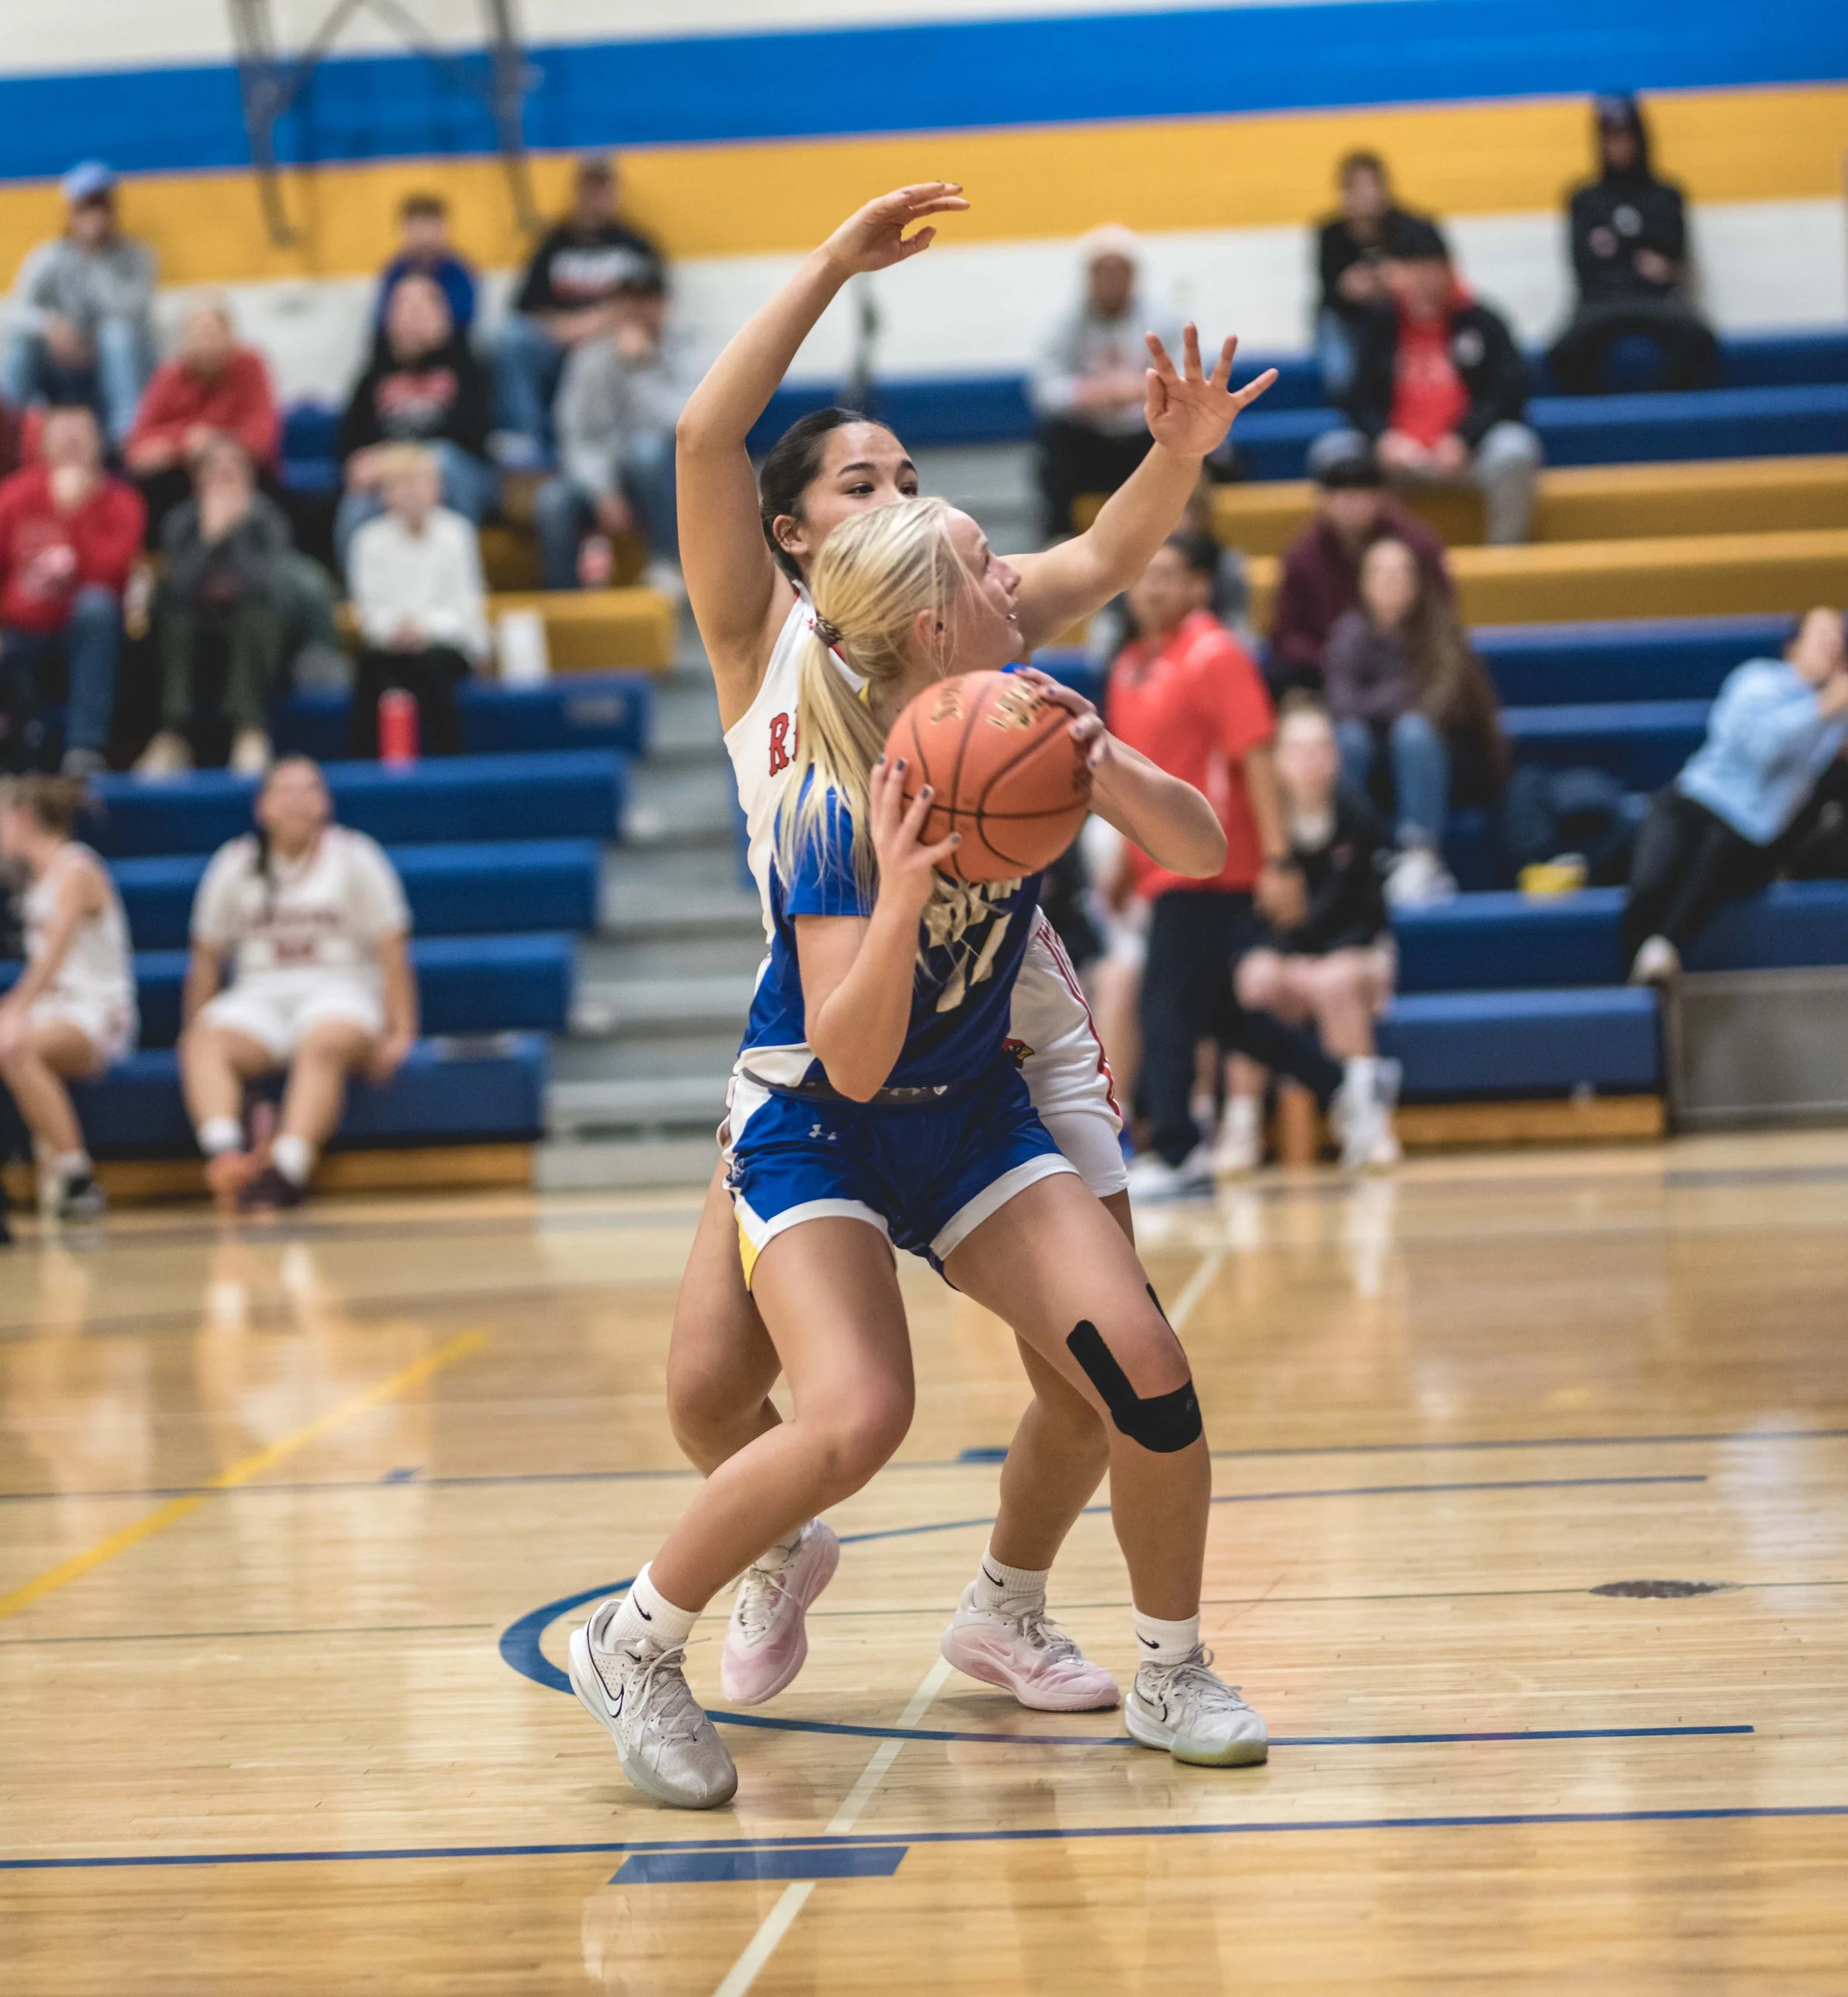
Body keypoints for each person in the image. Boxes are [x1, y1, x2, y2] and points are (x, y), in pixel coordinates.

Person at [670, 182, 1275, 1723]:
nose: (894, 496)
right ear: (793, 533)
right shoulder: (767, 646)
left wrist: (1173, 457)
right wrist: (827, 264)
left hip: (998, 1013)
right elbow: (698, 445)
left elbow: (1106, 551)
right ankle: (774, 1535)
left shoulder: (975, 625)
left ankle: (1009, 1609)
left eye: (908, 472)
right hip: (827, 1016)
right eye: (856, 483)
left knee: (1101, 1365)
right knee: (702, 1390)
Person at [568, 493, 1268, 1812]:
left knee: (1148, 1377)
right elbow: (855, 1060)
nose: (1018, 577)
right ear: (936, 621)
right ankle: (631, 1643)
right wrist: (902, 897)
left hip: (970, 1115)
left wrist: (1102, 762)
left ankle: (1172, 1669)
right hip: (822, 1123)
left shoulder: (1017, 718)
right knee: (855, 1416)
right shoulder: (838, 800)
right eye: (987, 565)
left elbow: (1204, 844)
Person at [1105, 531, 1360, 1197]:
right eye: (1144, 576)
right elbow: (1128, 776)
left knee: (1164, 1004)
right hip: (1161, 864)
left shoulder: (1216, 654)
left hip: (1212, 860)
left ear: (1200, 587)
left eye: (1169, 576)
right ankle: (1346, 1083)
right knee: (1216, 1011)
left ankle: (1181, 1150)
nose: (1152, 589)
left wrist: (1278, 860)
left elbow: (1256, 753)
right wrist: (1122, 863)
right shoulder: (1130, 664)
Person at [179, 756, 417, 1214]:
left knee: (321, 1041)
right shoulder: (234, 863)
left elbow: (393, 948)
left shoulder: (356, 857)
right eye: (284, 791)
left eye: (308, 790)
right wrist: (193, 1028)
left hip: (339, 991)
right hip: (260, 997)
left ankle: (285, 1171)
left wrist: (401, 1030)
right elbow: (207, 957)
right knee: (204, 1040)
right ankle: (227, 1157)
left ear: (325, 803)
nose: (296, 802)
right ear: (262, 806)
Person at [1624, 609, 1848, 984]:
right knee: (1649, 883)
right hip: (1693, 800)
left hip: (1749, 830)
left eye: (1839, 638)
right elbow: (1761, 747)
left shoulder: (1837, 714)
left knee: (1724, 848)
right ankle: (1633, 984)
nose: (1834, 644)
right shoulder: (1757, 681)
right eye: (1824, 635)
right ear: (1794, 647)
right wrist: (1823, 707)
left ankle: (1662, 956)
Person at [1230, 698, 1398, 1174]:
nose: (1311, 758)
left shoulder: (1358, 815)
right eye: (1299, 748)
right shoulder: (1259, 823)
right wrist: (1287, 956)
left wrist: (1322, 958)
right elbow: (1251, 914)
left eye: (1322, 747)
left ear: (1337, 756)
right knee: (1253, 982)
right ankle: (1240, 1124)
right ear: (1278, 760)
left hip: (1352, 953)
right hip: (1285, 957)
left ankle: (1366, 1118)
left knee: (1336, 982)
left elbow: (1369, 913)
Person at [1311, 245, 1541, 545]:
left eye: (1431, 269)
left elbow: (1507, 391)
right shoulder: (1377, 324)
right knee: (1333, 452)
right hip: (1396, 457)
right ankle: (1360, 567)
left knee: (1516, 449)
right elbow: (1356, 395)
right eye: (1414, 270)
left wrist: (1465, 439)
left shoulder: (1482, 321)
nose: (1423, 281)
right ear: (1396, 275)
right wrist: (1384, 438)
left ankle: (1507, 556)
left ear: (1449, 270)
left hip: (1468, 454)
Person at [1324, 534, 1506, 907]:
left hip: (1448, 760)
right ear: (1364, 582)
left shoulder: (1441, 629)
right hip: (1377, 760)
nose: (1392, 583)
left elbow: (1442, 704)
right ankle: (1355, 849)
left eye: (1400, 574)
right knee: (1349, 738)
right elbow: (1340, 704)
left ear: (1417, 582)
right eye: (1381, 573)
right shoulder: (1347, 634)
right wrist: (1399, 694)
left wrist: (1378, 705)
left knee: (1414, 731)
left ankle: (1421, 854)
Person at [0, 776, 136, 1222]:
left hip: (97, 1011)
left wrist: (13, 1008)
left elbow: (54, 956)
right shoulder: (33, 878)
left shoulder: (76, 869)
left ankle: (78, 1177)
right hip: (54, 1009)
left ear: (21, 820)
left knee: (14, 1046)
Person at [493, 154, 667, 464]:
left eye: (603, 191)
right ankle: (527, 439)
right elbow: (524, 307)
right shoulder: (555, 243)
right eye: (589, 190)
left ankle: (606, 449)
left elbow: (652, 308)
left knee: (614, 350)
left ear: (615, 194)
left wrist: (590, 326)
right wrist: (564, 328)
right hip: (556, 339)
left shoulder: (636, 245)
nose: (595, 199)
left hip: (610, 341)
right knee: (509, 339)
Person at [0, 406, 143, 778]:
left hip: (83, 633)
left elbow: (110, 579)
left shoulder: (122, 502)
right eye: (61, 434)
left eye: (81, 434)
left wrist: (72, 514)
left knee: (96, 608)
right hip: (20, 628)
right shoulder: (12, 497)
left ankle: (84, 748)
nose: (71, 443)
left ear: (99, 444)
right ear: (43, 444)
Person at [142, 438, 293, 778]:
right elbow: (177, 587)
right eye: (216, 474)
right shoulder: (180, 521)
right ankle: (173, 734)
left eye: (233, 473)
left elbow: (270, 585)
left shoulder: (269, 519)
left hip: (255, 626)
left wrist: (234, 531)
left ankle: (249, 730)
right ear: (199, 481)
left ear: (250, 479)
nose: (225, 482)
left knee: (257, 615)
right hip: (196, 623)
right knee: (173, 617)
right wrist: (209, 538)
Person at [1549, 96, 1718, 397]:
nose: (1619, 146)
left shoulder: (1666, 195)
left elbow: (1673, 262)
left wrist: (1617, 250)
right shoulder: (1583, 199)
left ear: (1641, 138)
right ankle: (1599, 423)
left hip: (1659, 301)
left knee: (1698, 339)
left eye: (1626, 136)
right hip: (1599, 303)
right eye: (1611, 138)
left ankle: (1669, 416)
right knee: (1564, 351)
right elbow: (1584, 268)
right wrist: (1640, 256)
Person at [1031, 227, 1186, 545]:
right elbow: (1045, 389)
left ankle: (1178, 532)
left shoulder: (1165, 316)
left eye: (1120, 270)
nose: (1112, 279)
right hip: (1087, 437)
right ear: (1088, 275)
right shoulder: (1062, 320)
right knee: (1051, 438)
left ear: (1134, 274)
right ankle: (1057, 533)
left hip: (1145, 432)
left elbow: (1187, 377)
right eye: (1104, 271)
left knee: (1188, 435)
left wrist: (1143, 390)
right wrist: (1088, 394)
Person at [537, 285, 695, 591]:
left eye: (646, 300)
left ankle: (669, 564)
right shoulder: (587, 360)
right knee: (552, 502)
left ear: (663, 305)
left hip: (668, 481)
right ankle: (565, 604)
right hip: (600, 479)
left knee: (646, 450)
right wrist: (603, 491)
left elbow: (684, 424)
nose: (636, 312)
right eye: (628, 302)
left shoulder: (687, 350)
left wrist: (639, 369)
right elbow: (575, 438)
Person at [1268, 441, 1454, 694]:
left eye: (1361, 493)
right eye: (1342, 494)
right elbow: (1286, 635)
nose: (1352, 504)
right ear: (1323, 500)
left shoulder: (1417, 546)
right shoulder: (1302, 557)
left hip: (1408, 668)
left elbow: (1443, 613)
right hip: (1323, 673)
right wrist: (1337, 661)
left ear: (1380, 497)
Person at [336, 273, 492, 562]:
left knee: (444, 462)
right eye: (405, 307)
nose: (414, 317)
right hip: (389, 476)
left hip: (454, 470)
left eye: (424, 307)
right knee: (357, 501)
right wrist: (381, 465)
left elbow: (473, 435)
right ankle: (358, 591)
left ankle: (458, 570)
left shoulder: (468, 367)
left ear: (443, 316)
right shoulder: (372, 377)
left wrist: (402, 460)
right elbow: (351, 447)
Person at [347, 443, 489, 758]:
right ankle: (366, 767)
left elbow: (465, 609)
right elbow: (370, 610)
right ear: (386, 494)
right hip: (392, 645)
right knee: (371, 667)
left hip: (448, 644)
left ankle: (449, 759)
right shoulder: (367, 540)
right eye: (402, 485)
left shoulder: (458, 534)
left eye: (422, 482)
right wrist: (396, 629)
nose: (414, 493)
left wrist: (423, 628)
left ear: (437, 488)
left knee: (427, 663)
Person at [3, 163, 157, 446]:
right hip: (60, 367)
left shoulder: (137, 256)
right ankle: (10, 434)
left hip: (111, 363)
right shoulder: (48, 256)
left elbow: (133, 311)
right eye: (85, 206)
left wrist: (94, 256)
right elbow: (13, 312)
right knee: (21, 341)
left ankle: (126, 441)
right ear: (70, 211)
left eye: (101, 205)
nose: (94, 214)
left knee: (116, 334)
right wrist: (50, 326)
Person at [124, 296, 280, 539]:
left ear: (230, 336)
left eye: (213, 333)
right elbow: (139, 446)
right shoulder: (169, 376)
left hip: (241, 473)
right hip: (183, 477)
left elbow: (263, 436)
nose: (207, 343)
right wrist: (184, 442)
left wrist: (214, 443)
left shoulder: (251, 367)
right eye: (198, 334)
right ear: (185, 340)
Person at [1313, 152, 1450, 406]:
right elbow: (1332, 292)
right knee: (1335, 343)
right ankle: (1349, 400)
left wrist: (1396, 280)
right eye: (1357, 188)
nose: (1366, 196)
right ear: (1344, 192)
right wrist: (1368, 286)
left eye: (1372, 186)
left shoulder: (1414, 227)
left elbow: (1440, 276)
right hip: (1350, 319)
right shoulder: (1330, 234)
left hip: (1405, 319)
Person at [373, 191, 479, 337]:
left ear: (443, 228)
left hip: (450, 345)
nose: (423, 234)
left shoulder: (458, 270)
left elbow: (463, 319)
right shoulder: (395, 270)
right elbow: (382, 318)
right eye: (416, 226)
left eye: (429, 225)